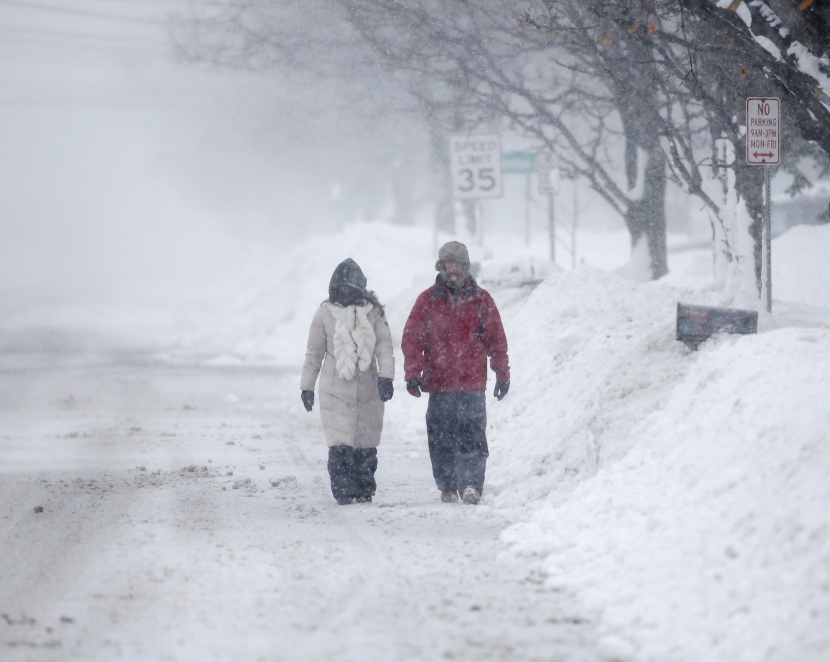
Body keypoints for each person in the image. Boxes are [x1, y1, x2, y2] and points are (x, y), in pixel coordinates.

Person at [401, 241, 510, 505]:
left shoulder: (481, 300)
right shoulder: (427, 300)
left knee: (473, 436)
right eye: (449, 264)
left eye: (459, 264)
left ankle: (471, 484)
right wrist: (412, 372)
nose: (454, 269)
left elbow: (496, 339)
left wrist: (502, 373)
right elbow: (413, 339)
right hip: (439, 384)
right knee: (441, 439)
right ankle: (447, 484)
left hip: (472, 384)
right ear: (441, 266)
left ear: (466, 266)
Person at [301, 258, 395, 505]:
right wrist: (306, 387)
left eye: (350, 287)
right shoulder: (323, 314)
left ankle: (364, 488)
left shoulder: (374, 313)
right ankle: (342, 489)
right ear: (334, 288)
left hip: (368, 388)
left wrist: (386, 377)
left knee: (366, 443)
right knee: (340, 443)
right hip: (335, 389)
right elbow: (314, 354)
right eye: (341, 287)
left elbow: (385, 346)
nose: (345, 292)